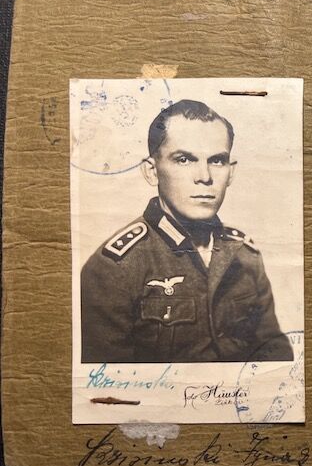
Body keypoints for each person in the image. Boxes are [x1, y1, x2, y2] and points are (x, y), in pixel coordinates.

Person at [80, 99, 293, 363]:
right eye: (184, 159)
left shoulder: (245, 255)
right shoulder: (114, 267)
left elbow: (276, 355)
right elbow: (106, 380)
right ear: (152, 171)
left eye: (217, 160)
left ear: (231, 172)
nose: (204, 176)